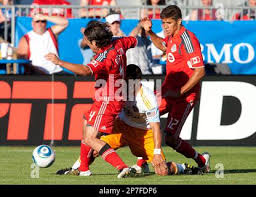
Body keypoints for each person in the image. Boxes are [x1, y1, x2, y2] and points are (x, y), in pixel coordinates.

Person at [56, 64, 204, 177]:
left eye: (129, 82)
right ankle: (76, 168)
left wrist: (157, 152)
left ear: (138, 81)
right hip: (122, 127)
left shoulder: (147, 98)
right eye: (124, 81)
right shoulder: (119, 89)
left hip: (143, 135)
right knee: (93, 142)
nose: (125, 85)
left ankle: (185, 167)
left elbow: (155, 127)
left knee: (162, 170)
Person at [45, 21, 138, 178]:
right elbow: (134, 40)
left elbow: (85, 70)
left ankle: (122, 166)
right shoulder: (119, 41)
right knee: (86, 123)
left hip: (108, 99)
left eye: (88, 42)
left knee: (90, 138)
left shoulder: (103, 57)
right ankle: (83, 169)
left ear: (95, 42)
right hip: (114, 95)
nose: (87, 44)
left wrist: (59, 62)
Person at [140, 5, 211, 172]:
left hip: (184, 97)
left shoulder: (188, 39)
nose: (165, 26)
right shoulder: (171, 36)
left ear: (179, 21)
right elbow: (163, 47)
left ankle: (201, 160)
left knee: (171, 138)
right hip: (167, 92)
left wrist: (181, 91)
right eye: (163, 23)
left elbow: (200, 71)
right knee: (143, 119)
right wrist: (150, 33)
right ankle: (141, 164)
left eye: (169, 23)